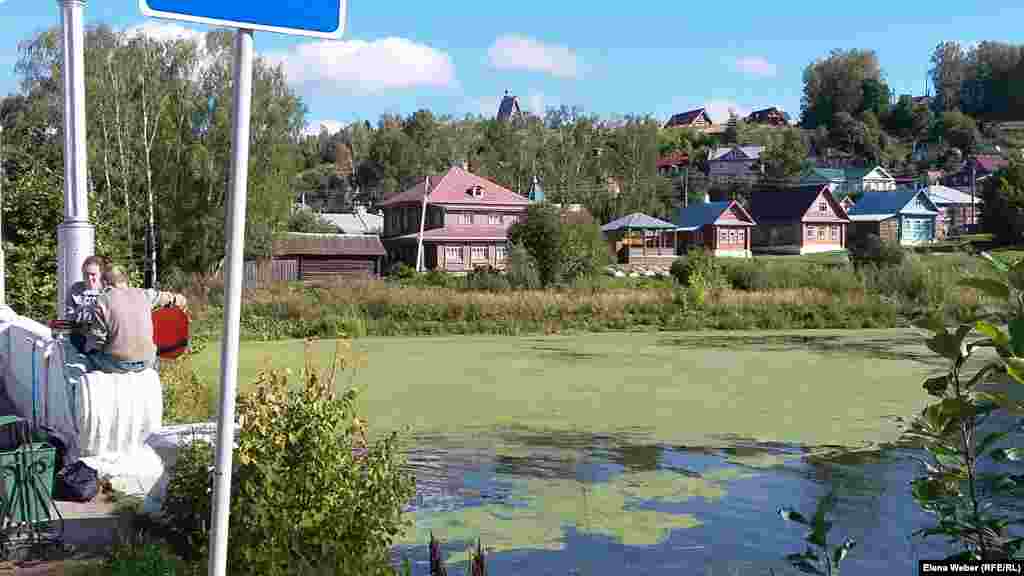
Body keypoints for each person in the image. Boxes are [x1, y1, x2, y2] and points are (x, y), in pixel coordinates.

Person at [84, 264, 188, 374]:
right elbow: (170, 298)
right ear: (125, 280)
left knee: (87, 350)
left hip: (117, 363)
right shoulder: (144, 294)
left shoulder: (102, 301)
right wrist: (179, 300)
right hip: (148, 361)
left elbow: (97, 339)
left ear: (105, 282)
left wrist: (88, 345)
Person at [64, 255, 107, 354]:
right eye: (85, 274)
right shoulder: (75, 289)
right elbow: (69, 318)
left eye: (93, 274)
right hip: (81, 335)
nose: (89, 278)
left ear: (101, 274)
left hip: (102, 337)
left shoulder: (107, 291)